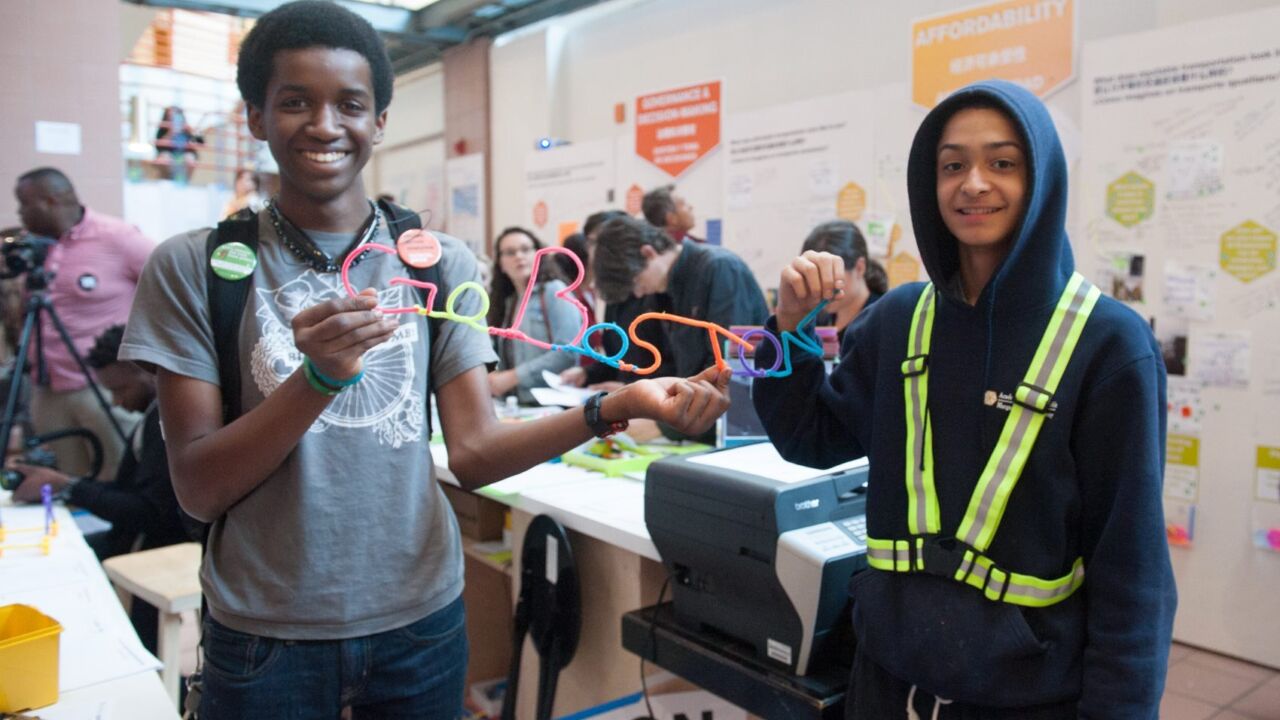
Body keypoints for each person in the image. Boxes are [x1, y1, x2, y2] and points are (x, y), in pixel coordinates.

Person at [118, 3, 729, 718]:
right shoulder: (197, 267)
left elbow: (473, 452)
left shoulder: (441, 265)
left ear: (379, 121)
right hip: (266, 635)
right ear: (254, 115)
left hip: (419, 623)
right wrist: (316, 380)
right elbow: (197, 488)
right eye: (294, 102)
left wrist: (612, 406)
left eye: (350, 104)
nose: (324, 124)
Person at [754, 81, 1175, 718]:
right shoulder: (899, 320)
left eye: (1002, 163)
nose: (973, 183)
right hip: (887, 682)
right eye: (953, 165)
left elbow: (1132, 570)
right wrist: (790, 331)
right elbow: (810, 439)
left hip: (1027, 697)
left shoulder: (1108, 343)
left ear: (1042, 180)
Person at [8, 323, 184, 653]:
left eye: (120, 389)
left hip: (146, 553)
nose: (116, 403)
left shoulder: (164, 421)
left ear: (144, 370)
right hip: (135, 539)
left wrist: (68, 487)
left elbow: (150, 513)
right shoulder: (153, 414)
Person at [14, 167, 153, 481]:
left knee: (120, 476)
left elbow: (174, 283)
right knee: (67, 483)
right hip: (48, 389)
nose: (19, 213)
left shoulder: (117, 238)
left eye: (24, 204)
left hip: (105, 387)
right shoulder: (33, 250)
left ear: (49, 201)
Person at [594, 216, 767, 442]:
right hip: (698, 425)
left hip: (739, 427)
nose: (637, 293)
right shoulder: (662, 291)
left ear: (648, 253)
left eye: (635, 282)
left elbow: (728, 372)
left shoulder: (719, 268)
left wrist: (662, 426)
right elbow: (674, 368)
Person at [486, 227, 581, 403]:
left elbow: (568, 352)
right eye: (510, 252)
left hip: (555, 403)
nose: (519, 256)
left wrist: (513, 377)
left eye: (525, 249)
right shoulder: (508, 302)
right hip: (518, 405)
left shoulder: (555, 291)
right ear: (500, 263)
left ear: (538, 253)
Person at [800, 220, 888, 335]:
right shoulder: (821, 319)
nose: (821, 289)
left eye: (830, 276)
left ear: (860, 267)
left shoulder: (883, 319)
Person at [154, 106, 203, 181]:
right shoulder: (163, 127)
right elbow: (158, 146)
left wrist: (192, 132)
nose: (173, 118)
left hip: (184, 156)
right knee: (164, 159)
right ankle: (167, 181)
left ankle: (184, 181)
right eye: (170, 116)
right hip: (168, 155)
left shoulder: (187, 129)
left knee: (190, 159)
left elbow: (200, 142)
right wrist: (170, 133)